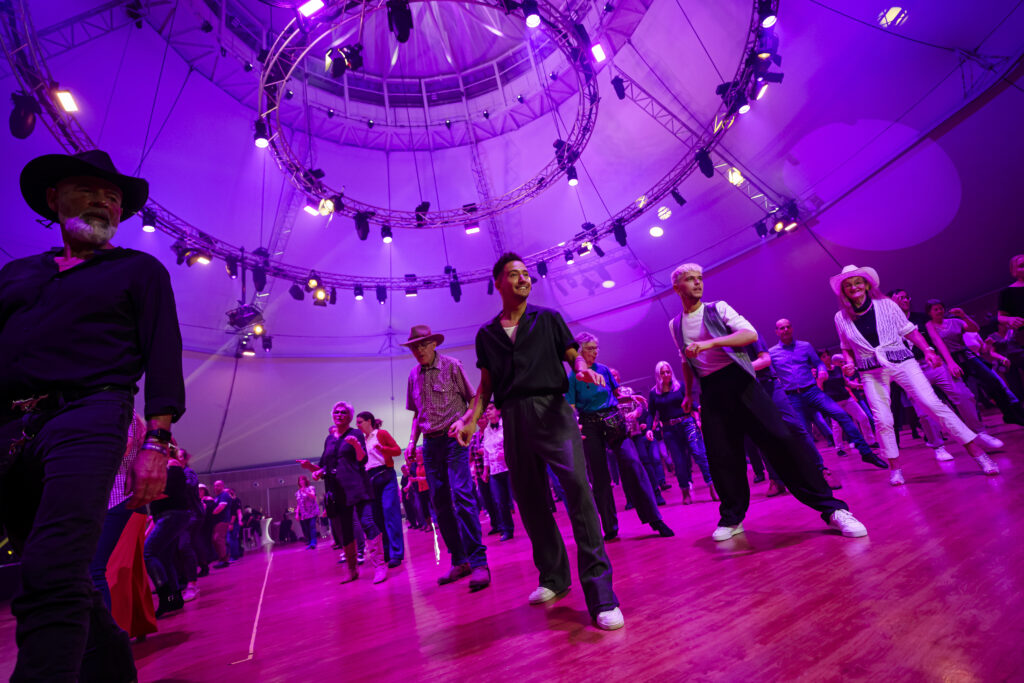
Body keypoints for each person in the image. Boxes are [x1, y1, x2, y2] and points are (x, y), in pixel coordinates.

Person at [0, 149, 185, 682]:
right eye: (88, 189)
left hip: (91, 413)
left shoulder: (139, 270)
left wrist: (156, 444)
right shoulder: (17, 275)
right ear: (53, 198)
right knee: (57, 573)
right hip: (12, 426)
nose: (104, 201)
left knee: (52, 570)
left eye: (114, 197)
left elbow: (163, 353)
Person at [456, 253, 623, 631]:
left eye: (527, 274)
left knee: (578, 492)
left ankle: (602, 596)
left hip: (553, 411)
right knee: (530, 501)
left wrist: (581, 369)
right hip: (513, 418)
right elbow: (485, 387)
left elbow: (572, 356)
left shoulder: (547, 318)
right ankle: (554, 576)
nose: (524, 279)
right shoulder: (486, 334)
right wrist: (470, 421)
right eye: (514, 274)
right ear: (498, 282)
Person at [666, 263, 867, 541]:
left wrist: (710, 344)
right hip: (711, 390)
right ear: (677, 288)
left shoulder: (717, 308)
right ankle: (732, 517)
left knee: (782, 441)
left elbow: (748, 334)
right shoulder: (674, 324)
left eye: (699, 278)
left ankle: (832, 509)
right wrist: (689, 394)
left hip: (741, 382)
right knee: (723, 456)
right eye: (690, 279)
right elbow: (685, 360)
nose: (698, 283)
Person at [830, 266, 998, 485]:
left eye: (858, 282)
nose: (854, 287)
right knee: (883, 420)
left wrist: (928, 350)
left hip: (902, 361)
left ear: (867, 285)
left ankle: (978, 454)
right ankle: (895, 468)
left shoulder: (887, 305)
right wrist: (850, 363)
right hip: (871, 371)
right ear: (843, 290)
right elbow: (846, 347)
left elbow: (910, 331)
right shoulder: (841, 317)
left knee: (932, 404)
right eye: (848, 285)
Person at [403, 324, 490, 592]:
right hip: (429, 445)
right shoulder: (413, 375)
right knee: (439, 503)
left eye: (422, 345)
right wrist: (411, 442)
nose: (418, 350)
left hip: (454, 439)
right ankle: (460, 561)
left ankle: (479, 563)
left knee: (462, 495)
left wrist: (463, 421)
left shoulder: (452, 366)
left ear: (433, 344)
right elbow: (417, 413)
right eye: (414, 347)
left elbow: (474, 399)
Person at [567, 333, 673, 539]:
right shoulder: (573, 377)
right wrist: (574, 426)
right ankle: (609, 527)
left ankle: (655, 519)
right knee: (599, 476)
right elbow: (570, 406)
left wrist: (631, 398)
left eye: (596, 348)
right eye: (590, 348)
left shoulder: (604, 370)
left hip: (613, 420)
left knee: (633, 463)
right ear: (579, 351)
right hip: (590, 425)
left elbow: (616, 395)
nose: (595, 352)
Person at [888, 289, 1004, 457]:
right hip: (910, 370)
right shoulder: (886, 325)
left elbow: (936, 340)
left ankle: (980, 433)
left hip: (933, 363)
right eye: (900, 298)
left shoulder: (920, 318)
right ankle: (938, 447)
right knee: (924, 412)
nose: (905, 300)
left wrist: (950, 362)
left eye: (907, 297)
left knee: (963, 395)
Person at [770, 319, 886, 470]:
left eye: (788, 327)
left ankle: (866, 452)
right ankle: (818, 468)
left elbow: (818, 363)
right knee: (803, 433)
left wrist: (821, 370)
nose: (785, 330)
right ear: (776, 332)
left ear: (792, 328)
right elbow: (771, 375)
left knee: (842, 415)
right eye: (781, 328)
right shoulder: (772, 353)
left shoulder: (805, 346)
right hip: (793, 397)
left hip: (812, 391)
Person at [299, 402, 386, 583]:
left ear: (349, 416)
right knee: (345, 530)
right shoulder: (329, 439)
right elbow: (324, 467)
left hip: (357, 486)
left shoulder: (355, 434)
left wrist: (356, 446)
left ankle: (379, 566)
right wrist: (311, 468)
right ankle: (352, 570)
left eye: (343, 412)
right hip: (337, 490)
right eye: (336, 412)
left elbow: (363, 460)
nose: (339, 414)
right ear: (333, 415)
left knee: (367, 522)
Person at [925, 299, 1024, 427]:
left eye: (941, 308)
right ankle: (974, 425)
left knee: (993, 381)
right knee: (967, 392)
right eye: (935, 309)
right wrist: (950, 363)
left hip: (967, 356)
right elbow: (938, 343)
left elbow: (975, 328)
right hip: (951, 360)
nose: (939, 311)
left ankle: (1010, 414)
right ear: (929, 312)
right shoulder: (930, 326)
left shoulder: (955, 321)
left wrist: (964, 316)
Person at [647, 361, 715, 503]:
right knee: (679, 461)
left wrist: (698, 409)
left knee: (698, 453)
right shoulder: (654, 393)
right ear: (658, 375)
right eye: (662, 372)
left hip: (687, 423)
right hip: (669, 429)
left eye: (668, 371)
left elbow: (690, 401)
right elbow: (651, 413)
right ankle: (685, 491)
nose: (666, 374)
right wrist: (648, 429)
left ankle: (712, 486)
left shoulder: (680, 386)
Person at [144, 447, 193, 617]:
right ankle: (175, 598)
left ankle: (165, 596)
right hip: (169, 516)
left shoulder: (172, 466)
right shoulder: (166, 466)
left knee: (148, 553)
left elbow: (166, 492)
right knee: (165, 557)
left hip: (171, 516)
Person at [356, 411, 405, 568]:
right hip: (370, 479)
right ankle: (387, 552)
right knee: (377, 517)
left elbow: (397, 450)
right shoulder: (361, 440)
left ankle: (396, 553)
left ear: (369, 421)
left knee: (390, 511)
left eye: (360, 422)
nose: (357, 425)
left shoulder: (381, 434)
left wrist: (383, 448)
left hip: (385, 475)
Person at [613, 379, 667, 506]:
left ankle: (656, 493)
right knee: (625, 468)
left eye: (615, 376)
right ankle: (630, 499)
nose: (613, 378)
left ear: (618, 378)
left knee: (645, 461)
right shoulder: (606, 395)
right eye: (611, 376)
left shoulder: (627, 390)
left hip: (635, 433)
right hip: (619, 436)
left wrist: (636, 412)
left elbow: (639, 407)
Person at [480, 404, 515, 541]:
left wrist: (507, 453)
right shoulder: (486, 431)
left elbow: (514, 443)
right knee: (500, 501)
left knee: (518, 498)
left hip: (509, 467)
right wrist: (485, 470)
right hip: (495, 471)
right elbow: (486, 453)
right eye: (486, 409)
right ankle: (507, 530)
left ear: (498, 410)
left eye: (491, 408)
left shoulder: (506, 425)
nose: (487, 411)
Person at [997, 254, 1024, 400]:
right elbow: (1001, 317)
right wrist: (1010, 319)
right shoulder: (1007, 292)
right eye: (1021, 265)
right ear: (1014, 271)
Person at [210, 480, 232, 569]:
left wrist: (211, 514)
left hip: (223, 521)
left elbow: (221, 507)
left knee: (218, 539)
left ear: (223, 486)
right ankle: (222, 559)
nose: (216, 487)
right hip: (218, 521)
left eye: (218, 485)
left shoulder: (224, 495)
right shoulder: (218, 496)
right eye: (215, 486)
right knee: (216, 540)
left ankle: (224, 560)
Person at [295, 475, 320, 549]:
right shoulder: (298, 492)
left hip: (312, 511)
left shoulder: (311, 488)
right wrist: (297, 513)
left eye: (303, 480)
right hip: (304, 513)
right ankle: (310, 541)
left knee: (312, 526)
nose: (301, 481)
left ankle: (313, 543)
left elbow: (313, 496)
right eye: (300, 480)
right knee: (307, 528)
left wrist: (305, 491)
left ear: (306, 481)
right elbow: (298, 503)